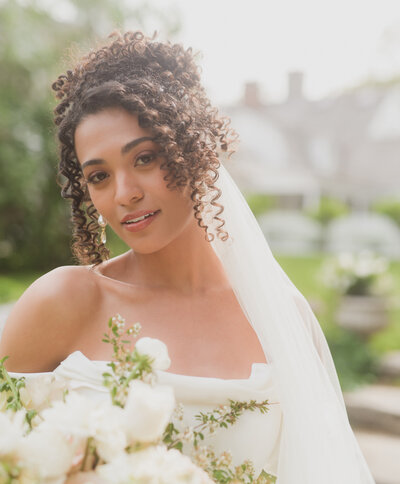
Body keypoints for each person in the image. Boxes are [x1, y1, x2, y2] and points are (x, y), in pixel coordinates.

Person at [0, 32, 375, 483]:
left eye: (144, 158)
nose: (124, 194)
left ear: (193, 150)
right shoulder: (63, 301)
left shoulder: (279, 319)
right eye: (98, 176)